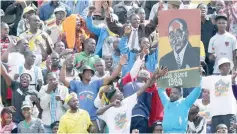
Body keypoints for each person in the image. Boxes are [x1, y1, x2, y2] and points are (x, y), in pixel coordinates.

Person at [61, 55, 127, 132]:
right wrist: (64, 64)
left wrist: (120, 65)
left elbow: (112, 77)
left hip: (94, 119)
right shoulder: (76, 84)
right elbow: (63, 80)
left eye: (91, 72)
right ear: (81, 74)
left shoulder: (96, 83)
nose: (90, 73)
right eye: (87, 72)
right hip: (80, 119)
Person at [96, 67, 168, 133]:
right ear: (112, 97)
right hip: (141, 118)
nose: (121, 92)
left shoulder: (126, 102)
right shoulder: (108, 110)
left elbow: (142, 89)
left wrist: (154, 76)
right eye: (118, 92)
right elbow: (98, 112)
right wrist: (111, 104)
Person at [202, 58, 237, 133]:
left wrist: (234, 80)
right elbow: (197, 80)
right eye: (225, 65)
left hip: (230, 112)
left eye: (228, 66)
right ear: (220, 68)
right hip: (216, 113)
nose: (227, 67)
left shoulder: (235, 78)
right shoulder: (212, 79)